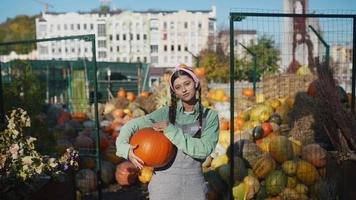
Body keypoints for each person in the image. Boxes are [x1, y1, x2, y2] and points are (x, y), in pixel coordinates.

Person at [116, 64, 219, 200]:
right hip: (163, 187)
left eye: (187, 84)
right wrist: (125, 149)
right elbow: (132, 125)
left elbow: (204, 150)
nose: (183, 89)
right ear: (174, 92)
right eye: (178, 87)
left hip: (194, 187)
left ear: (196, 83)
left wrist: (171, 130)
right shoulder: (165, 113)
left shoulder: (209, 116)